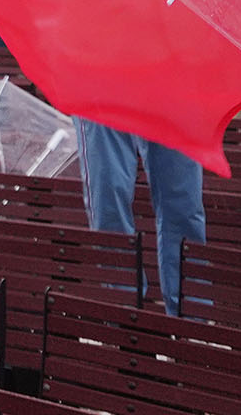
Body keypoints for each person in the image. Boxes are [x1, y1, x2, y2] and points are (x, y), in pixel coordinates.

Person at [75, 122, 206, 316]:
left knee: (184, 203)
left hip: (174, 94)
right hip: (100, 95)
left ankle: (193, 319)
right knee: (109, 201)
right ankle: (124, 321)